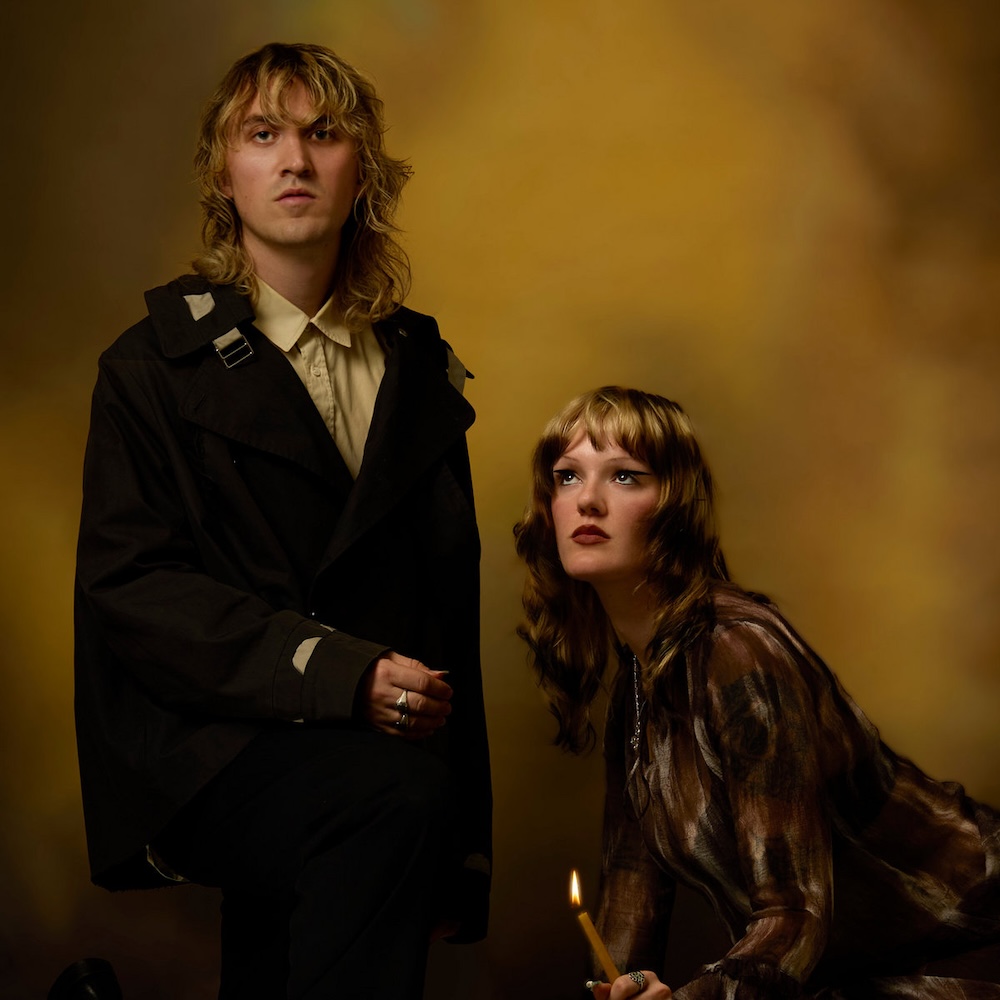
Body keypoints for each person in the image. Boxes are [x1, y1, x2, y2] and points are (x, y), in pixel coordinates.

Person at [74, 42, 491, 1000]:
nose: (295, 160)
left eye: (323, 133)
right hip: (204, 748)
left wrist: (465, 849)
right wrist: (339, 674)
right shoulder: (148, 368)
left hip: (376, 760)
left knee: (368, 833)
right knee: (384, 802)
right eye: (262, 135)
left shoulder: (421, 370)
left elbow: (445, 610)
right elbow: (134, 590)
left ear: (364, 171)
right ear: (224, 174)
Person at [514, 386, 1000, 1000]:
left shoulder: (737, 651)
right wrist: (617, 989)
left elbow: (794, 912)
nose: (587, 499)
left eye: (625, 476)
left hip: (966, 946)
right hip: (845, 974)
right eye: (567, 476)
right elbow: (631, 884)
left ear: (674, 506)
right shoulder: (637, 683)